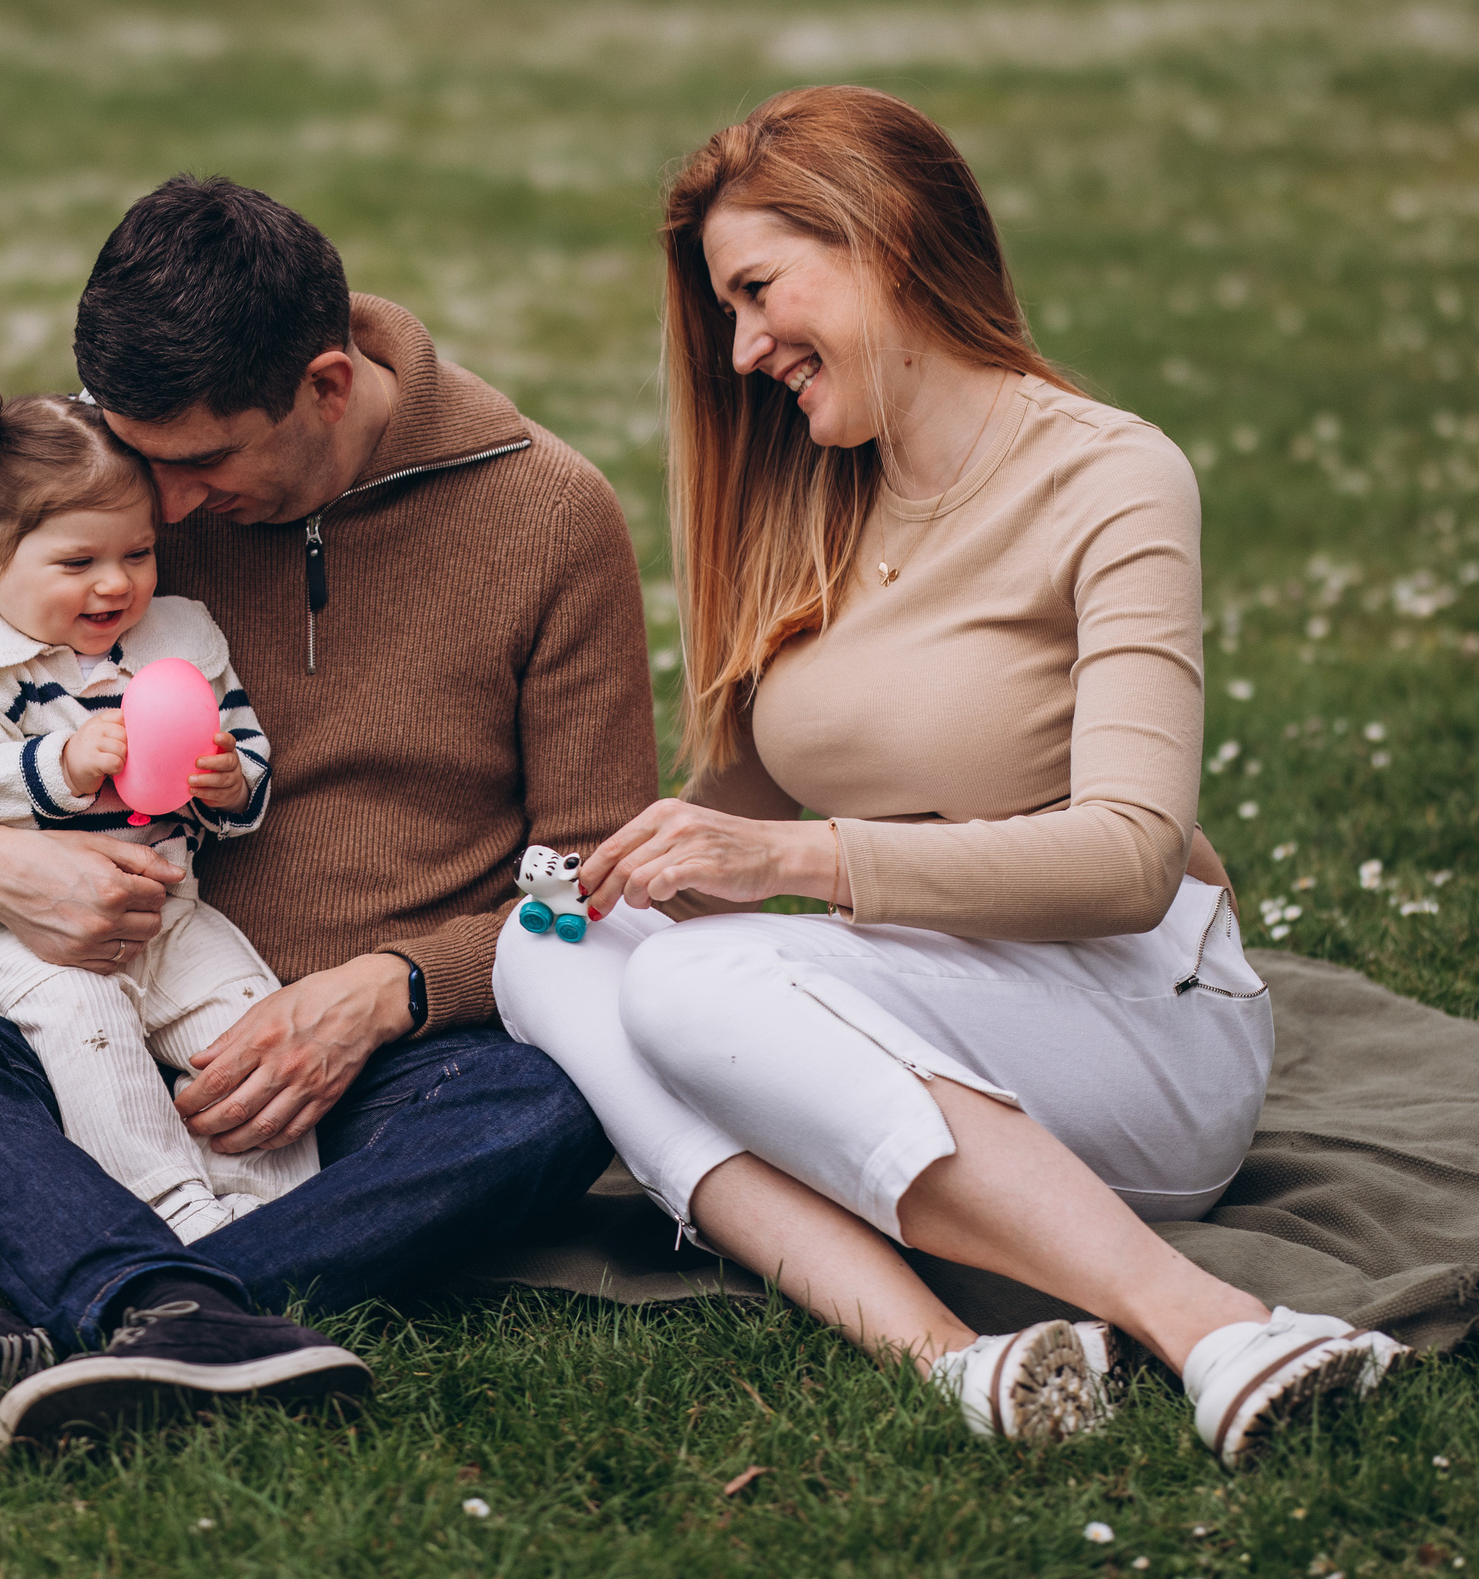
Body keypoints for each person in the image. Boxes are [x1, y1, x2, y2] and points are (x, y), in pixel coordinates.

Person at [494, 86, 1407, 1466]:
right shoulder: (801, 498)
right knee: (549, 952)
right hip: (928, 992)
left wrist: (794, 867)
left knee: (697, 984)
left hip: (1137, 1011)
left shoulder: (1110, 476)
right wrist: (611, 880)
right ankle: (962, 1363)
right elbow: (729, 830)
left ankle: (1213, 1324)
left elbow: (1129, 857)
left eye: (757, 291)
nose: (743, 352)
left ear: (882, 236)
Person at [0, 175, 656, 1449]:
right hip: (103, 1007)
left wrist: (392, 987)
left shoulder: (547, 516)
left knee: (543, 1110)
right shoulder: (121, 511)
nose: (171, 510)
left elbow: (593, 875)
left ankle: (97, 1317)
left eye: (204, 463)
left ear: (326, 384)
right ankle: (202, 1317)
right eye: (147, 463)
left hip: (380, 1065)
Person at [0, 392, 314, 1246]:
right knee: (93, 1040)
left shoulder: (176, 642)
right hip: (24, 937)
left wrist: (229, 784)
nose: (117, 581)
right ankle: (172, 1210)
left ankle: (270, 1206)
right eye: (79, 561)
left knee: (246, 1015)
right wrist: (60, 765)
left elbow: (246, 749)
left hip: (169, 910)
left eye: (139, 552)